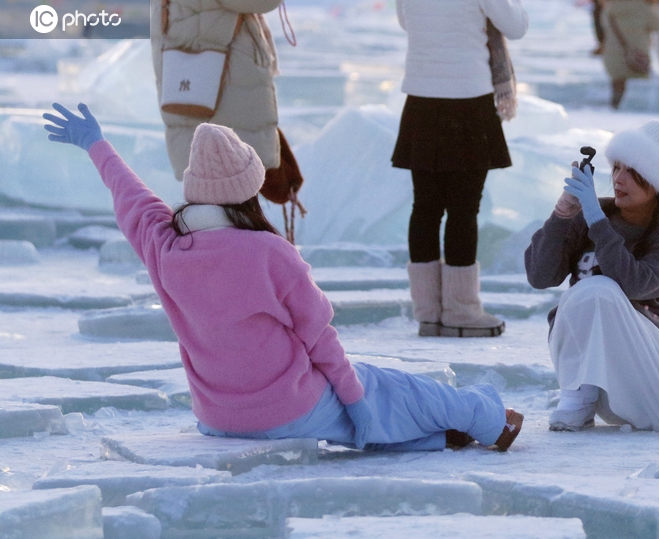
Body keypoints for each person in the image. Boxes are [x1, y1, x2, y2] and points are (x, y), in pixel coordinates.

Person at [42, 103, 523, 453]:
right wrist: (358, 402)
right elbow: (320, 339)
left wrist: (96, 145)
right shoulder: (268, 252)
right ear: (247, 194)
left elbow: (132, 199)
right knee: (389, 389)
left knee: (380, 405)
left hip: (217, 418)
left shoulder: (165, 246)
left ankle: (443, 437)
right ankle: (491, 418)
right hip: (289, 409)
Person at [524, 121, 659, 434]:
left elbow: (635, 283)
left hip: (642, 349)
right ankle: (578, 397)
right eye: (617, 167)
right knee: (591, 291)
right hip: (581, 356)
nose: (618, 179)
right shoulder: (591, 211)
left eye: (633, 172)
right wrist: (562, 216)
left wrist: (596, 221)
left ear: (657, 183)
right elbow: (539, 276)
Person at [392, 0, 529, 338]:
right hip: (468, 99)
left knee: (425, 208)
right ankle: (461, 310)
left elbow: (406, 22)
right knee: (463, 210)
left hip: (422, 100)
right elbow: (517, 25)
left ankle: (428, 312)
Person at [151, 0, 305, 241]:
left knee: (218, 205)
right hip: (222, 95)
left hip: (209, 88)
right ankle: (240, 268)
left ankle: (220, 266)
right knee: (234, 207)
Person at [601, 0, 659, 109]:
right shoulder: (644, 7)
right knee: (638, 89)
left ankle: (615, 109)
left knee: (618, 84)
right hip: (637, 54)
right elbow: (658, 25)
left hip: (612, 54)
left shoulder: (610, 6)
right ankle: (635, 113)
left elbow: (604, 25)